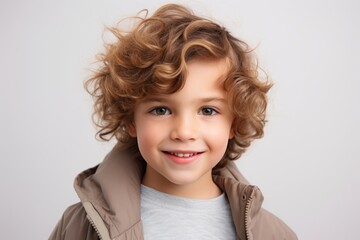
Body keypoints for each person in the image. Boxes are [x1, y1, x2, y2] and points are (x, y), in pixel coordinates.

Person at [50, 3, 297, 240]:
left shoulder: (273, 234)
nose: (184, 132)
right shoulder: (79, 226)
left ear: (234, 122)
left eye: (208, 111)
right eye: (161, 110)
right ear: (130, 119)